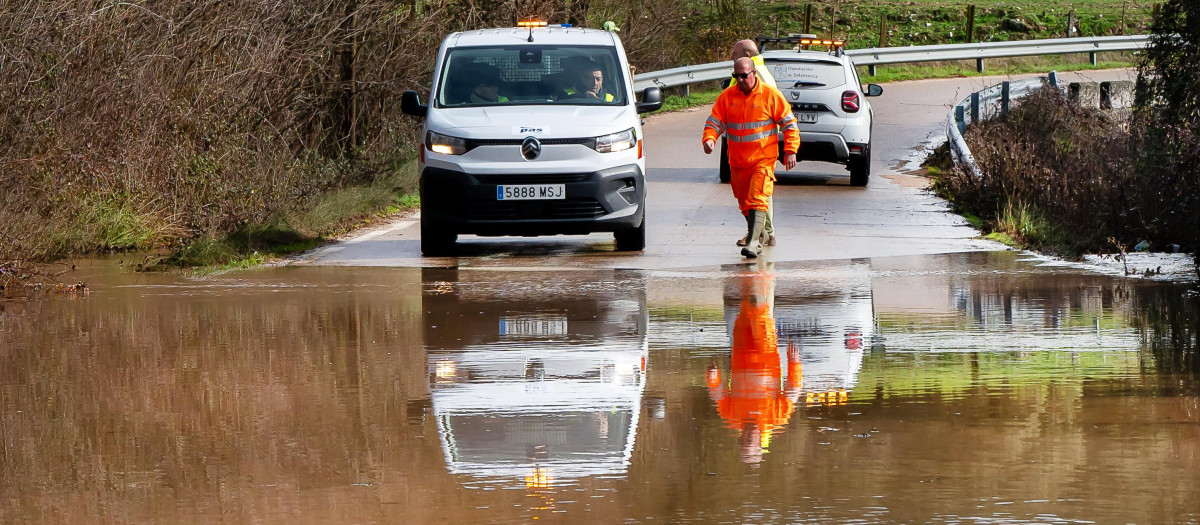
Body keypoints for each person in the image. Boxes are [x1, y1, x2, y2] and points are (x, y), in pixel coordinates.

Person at [703, 57, 800, 258]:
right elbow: (714, 122)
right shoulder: (727, 97)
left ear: (753, 73)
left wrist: (790, 150)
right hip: (737, 162)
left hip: (763, 159)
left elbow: (789, 124)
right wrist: (709, 139)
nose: (739, 80)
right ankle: (762, 233)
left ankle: (754, 242)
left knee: (757, 198)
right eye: (735, 76)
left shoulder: (770, 95)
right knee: (744, 202)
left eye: (743, 76)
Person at [706, 267, 802, 464]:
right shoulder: (776, 418)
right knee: (761, 315)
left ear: (740, 439)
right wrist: (794, 363)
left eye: (744, 441)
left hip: (740, 353)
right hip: (766, 354)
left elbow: (719, 394)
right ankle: (763, 276)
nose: (748, 437)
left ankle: (748, 280)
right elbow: (793, 389)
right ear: (760, 442)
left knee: (744, 312)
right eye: (750, 442)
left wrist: (713, 375)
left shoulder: (731, 418)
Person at [728, 39, 781, 248]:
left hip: (758, 146)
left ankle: (760, 234)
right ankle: (764, 233)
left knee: (757, 193)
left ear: (747, 56)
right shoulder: (754, 70)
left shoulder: (756, 75)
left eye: (735, 52)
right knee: (758, 192)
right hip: (749, 146)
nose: (731, 56)